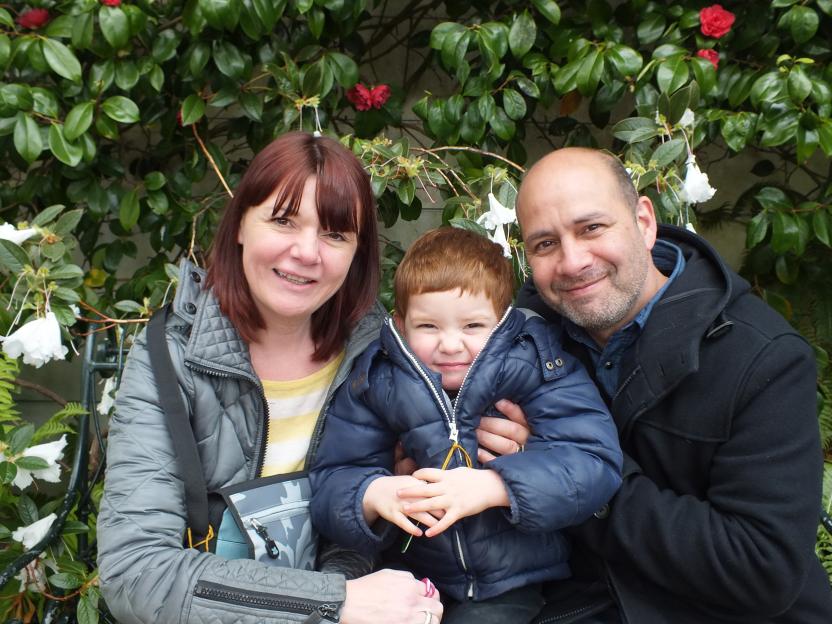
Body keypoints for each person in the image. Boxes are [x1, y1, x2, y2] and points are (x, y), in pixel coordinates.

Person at [97, 132, 444, 624]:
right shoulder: (170, 359)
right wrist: (334, 604)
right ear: (240, 223)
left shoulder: (376, 355)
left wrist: (508, 445)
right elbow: (137, 573)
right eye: (283, 221)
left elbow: (365, 523)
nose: (307, 252)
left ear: (357, 253)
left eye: (335, 234)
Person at [491, 146, 832, 623]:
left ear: (645, 222)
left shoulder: (763, 358)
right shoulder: (522, 336)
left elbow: (761, 568)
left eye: (592, 228)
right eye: (545, 244)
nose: (571, 261)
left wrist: (566, 474)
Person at [309, 227, 623, 624]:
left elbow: (593, 462)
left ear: (503, 321)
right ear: (401, 324)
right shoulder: (378, 380)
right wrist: (373, 493)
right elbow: (333, 477)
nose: (451, 345)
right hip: (408, 574)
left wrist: (496, 486)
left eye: (473, 326)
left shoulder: (537, 366)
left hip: (510, 580)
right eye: (429, 327)